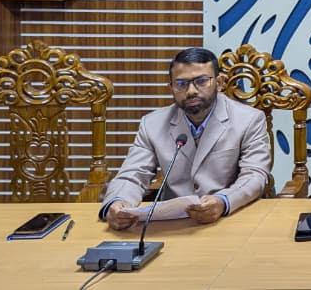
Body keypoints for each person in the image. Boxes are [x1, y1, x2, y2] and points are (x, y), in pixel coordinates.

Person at [100, 48, 271, 229]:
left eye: (201, 81)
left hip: (230, 219)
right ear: (171, 88)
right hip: (174, 224)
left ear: (219, 82)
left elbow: (255, 175)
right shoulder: (152, 124)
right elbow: (132, 175)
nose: (191, 91)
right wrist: (117, 202)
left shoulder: (249, 119)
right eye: (181, 83)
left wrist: (223, 201)